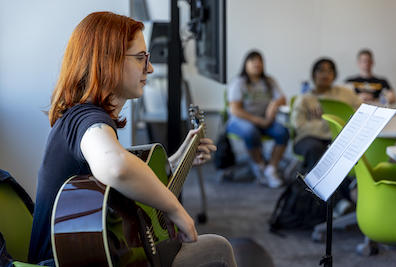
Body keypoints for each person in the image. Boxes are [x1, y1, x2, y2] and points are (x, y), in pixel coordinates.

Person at [28, 12, 237, 267]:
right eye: (140, 58)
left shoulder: (86, 119)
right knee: (218, 250)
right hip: (75, 259)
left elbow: (118, 187)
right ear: (106, 61)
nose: (149, 68)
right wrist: (175, 209)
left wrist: (179, 159)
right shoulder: (85, 118)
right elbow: (116, 167)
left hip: (102, 255)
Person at [227, 50, 289, 188]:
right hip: (239, 120)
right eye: (252, 60)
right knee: (250, 131)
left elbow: (282, 99)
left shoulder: (269, 81)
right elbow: (235, 110)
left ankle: (271, 169)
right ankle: (259, 166)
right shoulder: (239, 82)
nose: (256, 63)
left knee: (282, 132)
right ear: (245, 64)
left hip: (264, 120)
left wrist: (273, 105)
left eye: (259, 60)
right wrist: (259, 121)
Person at [291, 58, 362, 173]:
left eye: (330, 71)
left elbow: (360, 111)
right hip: (309, 139)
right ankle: (315, 187)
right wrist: (327, 126)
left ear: (334, 75)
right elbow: (298, 125)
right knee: (316, 149)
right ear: (314, 74)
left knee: (344, 151)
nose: (325, 75)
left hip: (337, 139)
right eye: (321, 71)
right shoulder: (304, 99)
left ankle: (340, 189)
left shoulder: (345, 94)